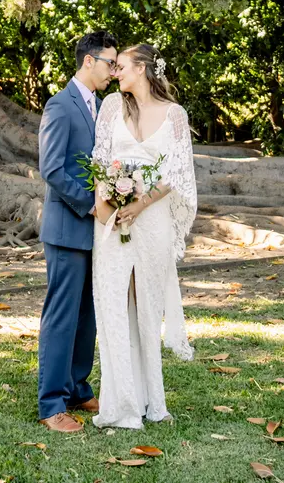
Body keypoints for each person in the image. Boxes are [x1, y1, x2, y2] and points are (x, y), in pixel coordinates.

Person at [90, 43, 196, 429]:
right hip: (114, 220)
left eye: (121, 67)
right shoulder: (111, 109)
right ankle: (121, 404)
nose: (115, 73)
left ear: (143, 69)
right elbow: (100, 161)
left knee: (147, 308)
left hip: (152, 221)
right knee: (114, 304)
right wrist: (110, 207)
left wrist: (140, 203)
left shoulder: (174, 115)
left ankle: (153, 401)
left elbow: (178, 173)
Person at [37, 28, 119, 434]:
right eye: (110, 63)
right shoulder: (60, 106)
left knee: (88, 314)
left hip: (93, 233)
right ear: (89, 61)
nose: (114, 71)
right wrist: (92, 205)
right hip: (67, 228)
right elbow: (51, 169)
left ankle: (77, 388)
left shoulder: (100, 107)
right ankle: (52, 403)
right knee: (62, 316)